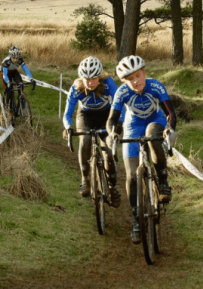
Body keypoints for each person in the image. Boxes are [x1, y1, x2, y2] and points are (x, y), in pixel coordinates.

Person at [106, 55, 177, 244]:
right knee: (131, 176)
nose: (135, 81)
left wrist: (170, 129)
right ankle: (137, 220)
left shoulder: (155, 86)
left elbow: (170, 112)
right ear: (124, 81)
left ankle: (163, 182)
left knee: (152, 134)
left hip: (156, 121)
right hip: (132, 126)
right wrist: (112, 133)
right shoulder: (121, 92)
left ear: (144, 72)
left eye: (138, 75)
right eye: (130, 79)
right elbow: (112, 119)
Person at [62, 56, 121, 207]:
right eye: (87, 79)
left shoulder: (108, 83)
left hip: (106, 116)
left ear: (99, 76)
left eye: (94, 78)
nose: (90, 82)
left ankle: (112, 187)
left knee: (108, 150)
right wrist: (68, 127)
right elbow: (67, 113)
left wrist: (119, 122)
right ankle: (85, 179)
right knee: (85, 140)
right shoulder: (76, 88)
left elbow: (119, 104)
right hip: (85, 116)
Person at [1, 46, 35, 118]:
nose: (15, 60)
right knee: (9, 90)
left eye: (17, 58)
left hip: (14, 72)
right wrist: (8, 81)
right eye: (14, 58)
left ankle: (21, 101)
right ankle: (8, 108)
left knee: (21, 84)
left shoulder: (20, 59)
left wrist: (31, 79)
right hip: (6, 74)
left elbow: (26, 70)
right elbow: (5, 75)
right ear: (11, 56)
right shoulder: (6, 61)